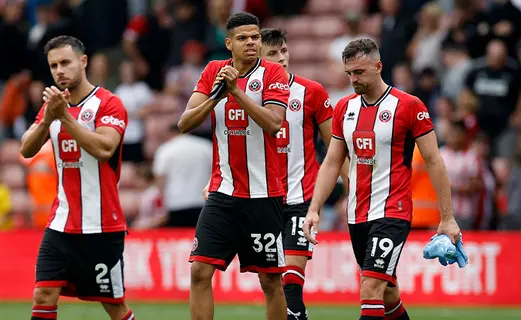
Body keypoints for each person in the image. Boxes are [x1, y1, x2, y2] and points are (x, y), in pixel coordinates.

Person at [302, 39, 461, 320]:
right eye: (349, 73)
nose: (353, 79)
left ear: (378, 67)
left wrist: (447, 218)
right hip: (356, 213)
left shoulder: (409, 106)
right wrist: (314, 209)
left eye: (360, 72)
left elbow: (435, 161)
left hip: (393, 210)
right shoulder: (343, 108)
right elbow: (332, 161)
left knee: (370, 287)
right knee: (388, 294)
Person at [177, 12, 290, 320]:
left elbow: (274, 123)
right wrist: (217, 95)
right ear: (229, 44)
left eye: (255, 37)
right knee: (200, 270)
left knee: (270, 280)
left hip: (264, 194)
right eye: (243, 38)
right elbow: (185, 122)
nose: (251, 42)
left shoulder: (273, 75)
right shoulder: (214, 70)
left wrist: (236, 92)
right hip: (223, 192)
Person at [19, 36, 135, 320]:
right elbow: (26, 148)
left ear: (83, 62)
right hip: (61, 223)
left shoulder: (109, 103)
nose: (59, 71)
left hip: (102, 225)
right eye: (53, 65)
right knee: (43, 294)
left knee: (114, 306)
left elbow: (105, 149)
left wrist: (66, 118)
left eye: (65, 63)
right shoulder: (53, 107)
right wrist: (48, 118)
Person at [259, 27, 344, 320]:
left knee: (291, 279)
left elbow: (336, 147)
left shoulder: (312, 92)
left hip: (302, 199)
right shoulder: (247, 95)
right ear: (257, 57)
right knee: (273, 285)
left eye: (284, 50)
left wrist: (357, 186)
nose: (281, 58)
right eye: (272, 53)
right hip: (262, 200)